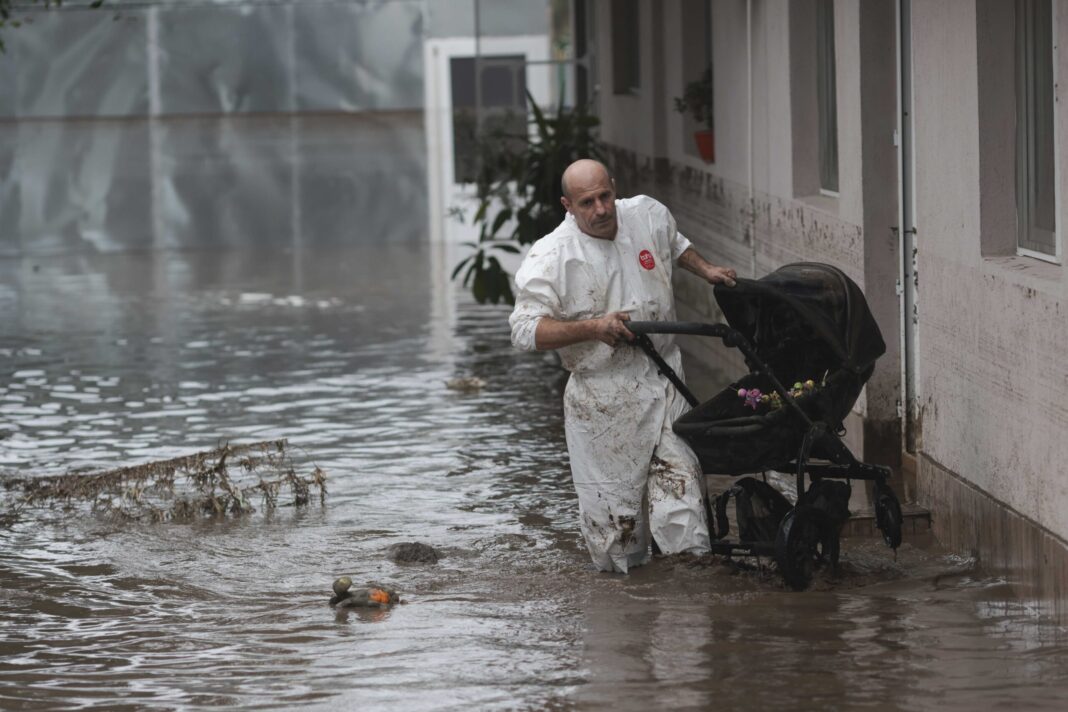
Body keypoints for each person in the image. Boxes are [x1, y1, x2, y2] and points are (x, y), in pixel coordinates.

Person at [509, 159, 738, 573]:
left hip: (664, 377)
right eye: (587, 202)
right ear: (567, 205)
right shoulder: (551, 257)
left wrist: (707, 271)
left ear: (614, 188)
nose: (600, 209)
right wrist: (594, 328)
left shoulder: (647, 214)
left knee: (681, 498)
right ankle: (624, 609)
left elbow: (675, 243)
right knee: (617, 530)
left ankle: (687, 611)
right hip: (603, 399)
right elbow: (525, 331)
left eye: (605, 196)